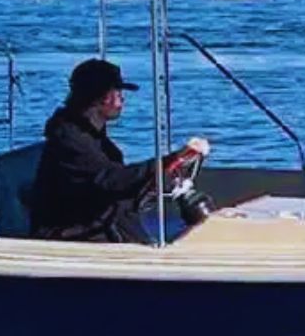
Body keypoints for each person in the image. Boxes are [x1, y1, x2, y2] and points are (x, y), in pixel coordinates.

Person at [30, 59, 209, 243]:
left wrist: (171, 165)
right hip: (71, 231)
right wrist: (167, 161)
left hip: (98, 219)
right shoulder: (69, 139)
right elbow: (109, 180)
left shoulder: (94, 136)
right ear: (101, 97)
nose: (122, 98)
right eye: (118, 92)